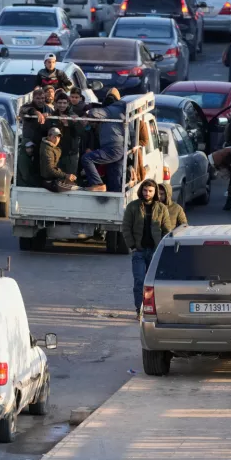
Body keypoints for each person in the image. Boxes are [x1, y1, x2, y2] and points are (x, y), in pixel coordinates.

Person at [122, 179, 174, 317]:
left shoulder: (162, 208)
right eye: (145, 190)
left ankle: (152, 309)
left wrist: (163, 248)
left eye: (150, 191)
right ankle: (139, 310)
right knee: (139, 281)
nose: (147, 193)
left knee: (154, 283)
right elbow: (126, 227)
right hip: (138, 251)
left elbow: (167, 229)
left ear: (155, 192)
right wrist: (132, 246)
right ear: (141, 190)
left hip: (155, 252)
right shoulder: (133, 207)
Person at [82, 88, 127, 192]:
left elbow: (94, 113)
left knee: (87, 159)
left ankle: (97, 184)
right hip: (120, 148)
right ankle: (113, 198)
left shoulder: (111, 109)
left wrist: (90, 109)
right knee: (114, 177)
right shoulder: (123, 110)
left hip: (112, 147)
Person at [48, 91, 81, 175]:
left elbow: (79, 133)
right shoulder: (52, 115)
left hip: (71, 153)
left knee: (71, 180)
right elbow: (46, 131)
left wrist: (68, 123)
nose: (62, 105)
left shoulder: (73, 116)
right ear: (55, 103)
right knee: (57, 178)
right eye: (59, 103)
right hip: (56, 153)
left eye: (64, 103)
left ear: (68, 104)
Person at [39, 127, 76, 191]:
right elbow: (50, 169)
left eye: (58, 137)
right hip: (48, 180)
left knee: (73, 184)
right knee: (72, 188)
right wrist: (66, 175)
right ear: (49, 136)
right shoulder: (46, 149)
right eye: (54, 137)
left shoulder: (54, 147)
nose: (57, 140)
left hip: (54, 178)